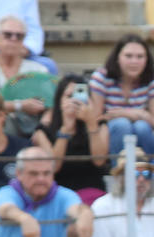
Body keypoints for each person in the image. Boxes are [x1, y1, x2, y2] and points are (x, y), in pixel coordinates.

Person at [0, 145, 93, 237]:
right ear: (18, 173)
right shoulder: (7, 192)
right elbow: (5, 209)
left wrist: (85, 214)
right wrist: (23, 218)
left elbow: (77, 208)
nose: (41, 179)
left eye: (46, 173)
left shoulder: (63, 194)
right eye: (33, 173)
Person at [32, 73, 111, 206]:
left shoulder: (100, 127)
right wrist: (65, 130)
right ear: (59, 100)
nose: (74, 101)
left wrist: (91, 123)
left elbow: (99, 161)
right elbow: (53, 167)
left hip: (93, 194)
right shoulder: (43, 131)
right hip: (59, 195)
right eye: (68, 96)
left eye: (78, 95)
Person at [89, 34, 154, 162]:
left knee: (142, 127)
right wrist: (141, 114)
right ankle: (119, 173)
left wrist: (127, 113)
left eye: (140, 56)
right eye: (128, 56)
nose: (134, 61)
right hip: (109, 133)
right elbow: (96, 118)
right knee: (121, 125)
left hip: (141, 131)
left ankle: (146, 174)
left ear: (147, 59)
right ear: (118, 57)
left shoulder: (151, 80)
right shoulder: (101, 77)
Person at [87, 147, 154, 237]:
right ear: (120, 178)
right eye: (134, 174)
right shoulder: (103, 207)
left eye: (146, 174)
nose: (141, 179)